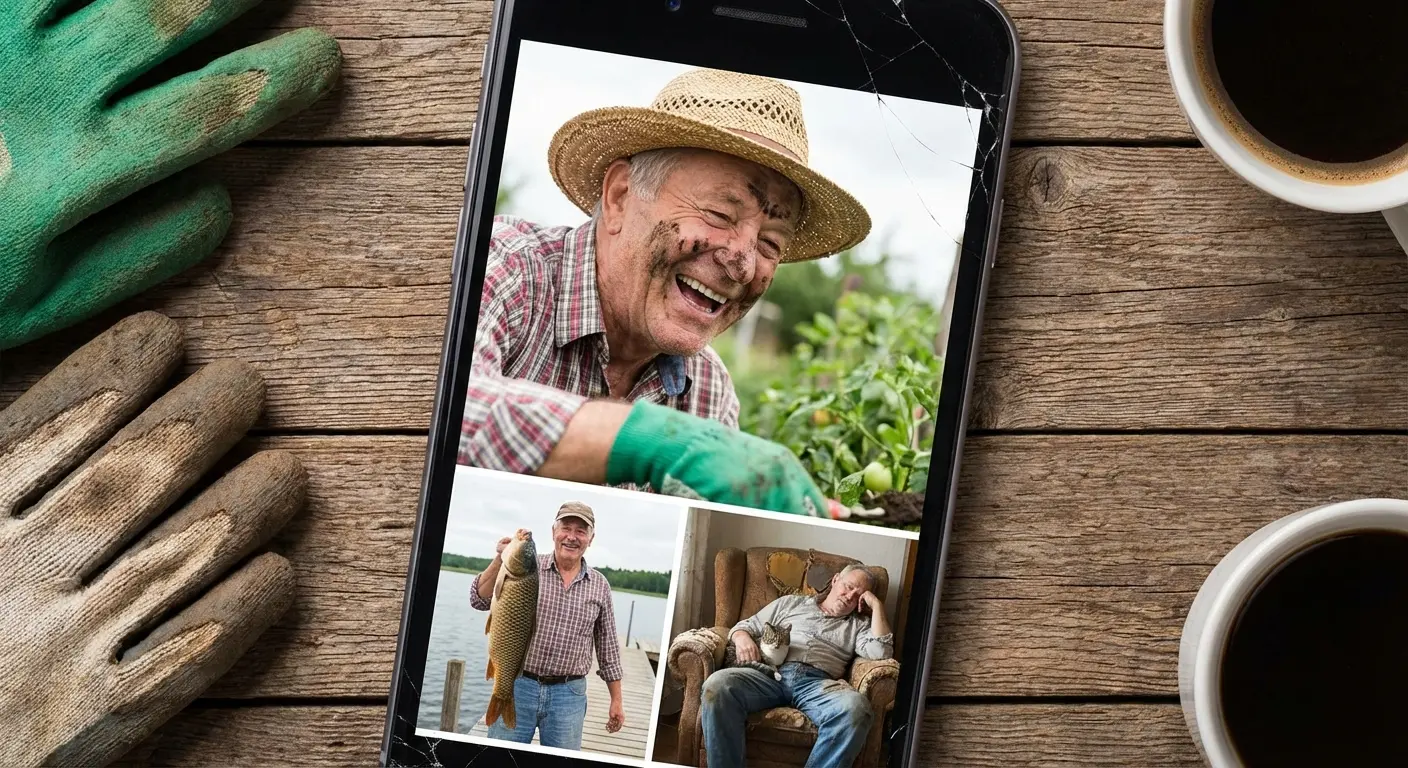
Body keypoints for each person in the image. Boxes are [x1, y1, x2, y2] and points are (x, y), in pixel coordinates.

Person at [458, 67, 873, 517]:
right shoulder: (503, 266)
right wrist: (653, 440)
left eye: (771, 243)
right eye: (718, 213)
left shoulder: (708, 391)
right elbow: (445, 410)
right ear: (619, 196)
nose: (743, 261)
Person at [700, 564, 893, 767]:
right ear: (836, 579)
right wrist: (741, 638)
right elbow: (747, 625)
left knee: (857, 709)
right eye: (849, 586)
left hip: (817, 685)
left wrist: (877, 605)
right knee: (718, 685)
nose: (850, 596)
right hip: (770, 674)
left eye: (859, 595)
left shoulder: (859, 625)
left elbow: (881, 651)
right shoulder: (791, 603)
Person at [468, 502, 625, 748]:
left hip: (569, 695)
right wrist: (501, 557)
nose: (572, 537)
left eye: (581, 531)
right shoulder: (528, 567)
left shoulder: (600, 585)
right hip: (518, 684)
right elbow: (478, 600)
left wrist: (616, 700)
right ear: (553, 532)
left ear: (591, 539)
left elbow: (608, 648)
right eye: (566, 528)